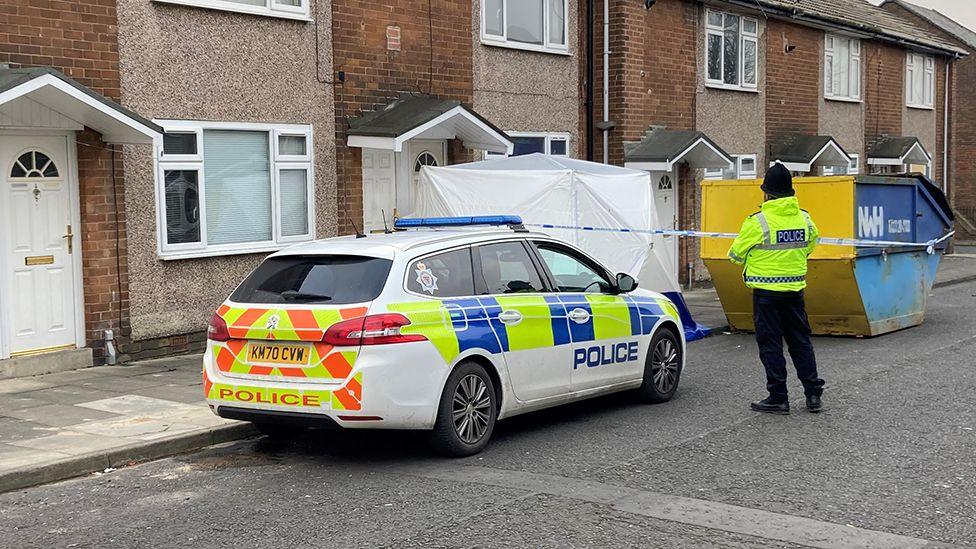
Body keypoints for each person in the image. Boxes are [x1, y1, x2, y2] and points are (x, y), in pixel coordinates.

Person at [728, 163, 825, 414]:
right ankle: (813, 394)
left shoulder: (757, 222)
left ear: (767, 193)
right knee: (800, 342)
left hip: (766, 294)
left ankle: (778, 397)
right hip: (795, 291)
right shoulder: (804, 218)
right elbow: (812, 242)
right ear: (791, 192)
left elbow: (735, 253)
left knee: (771, 345)